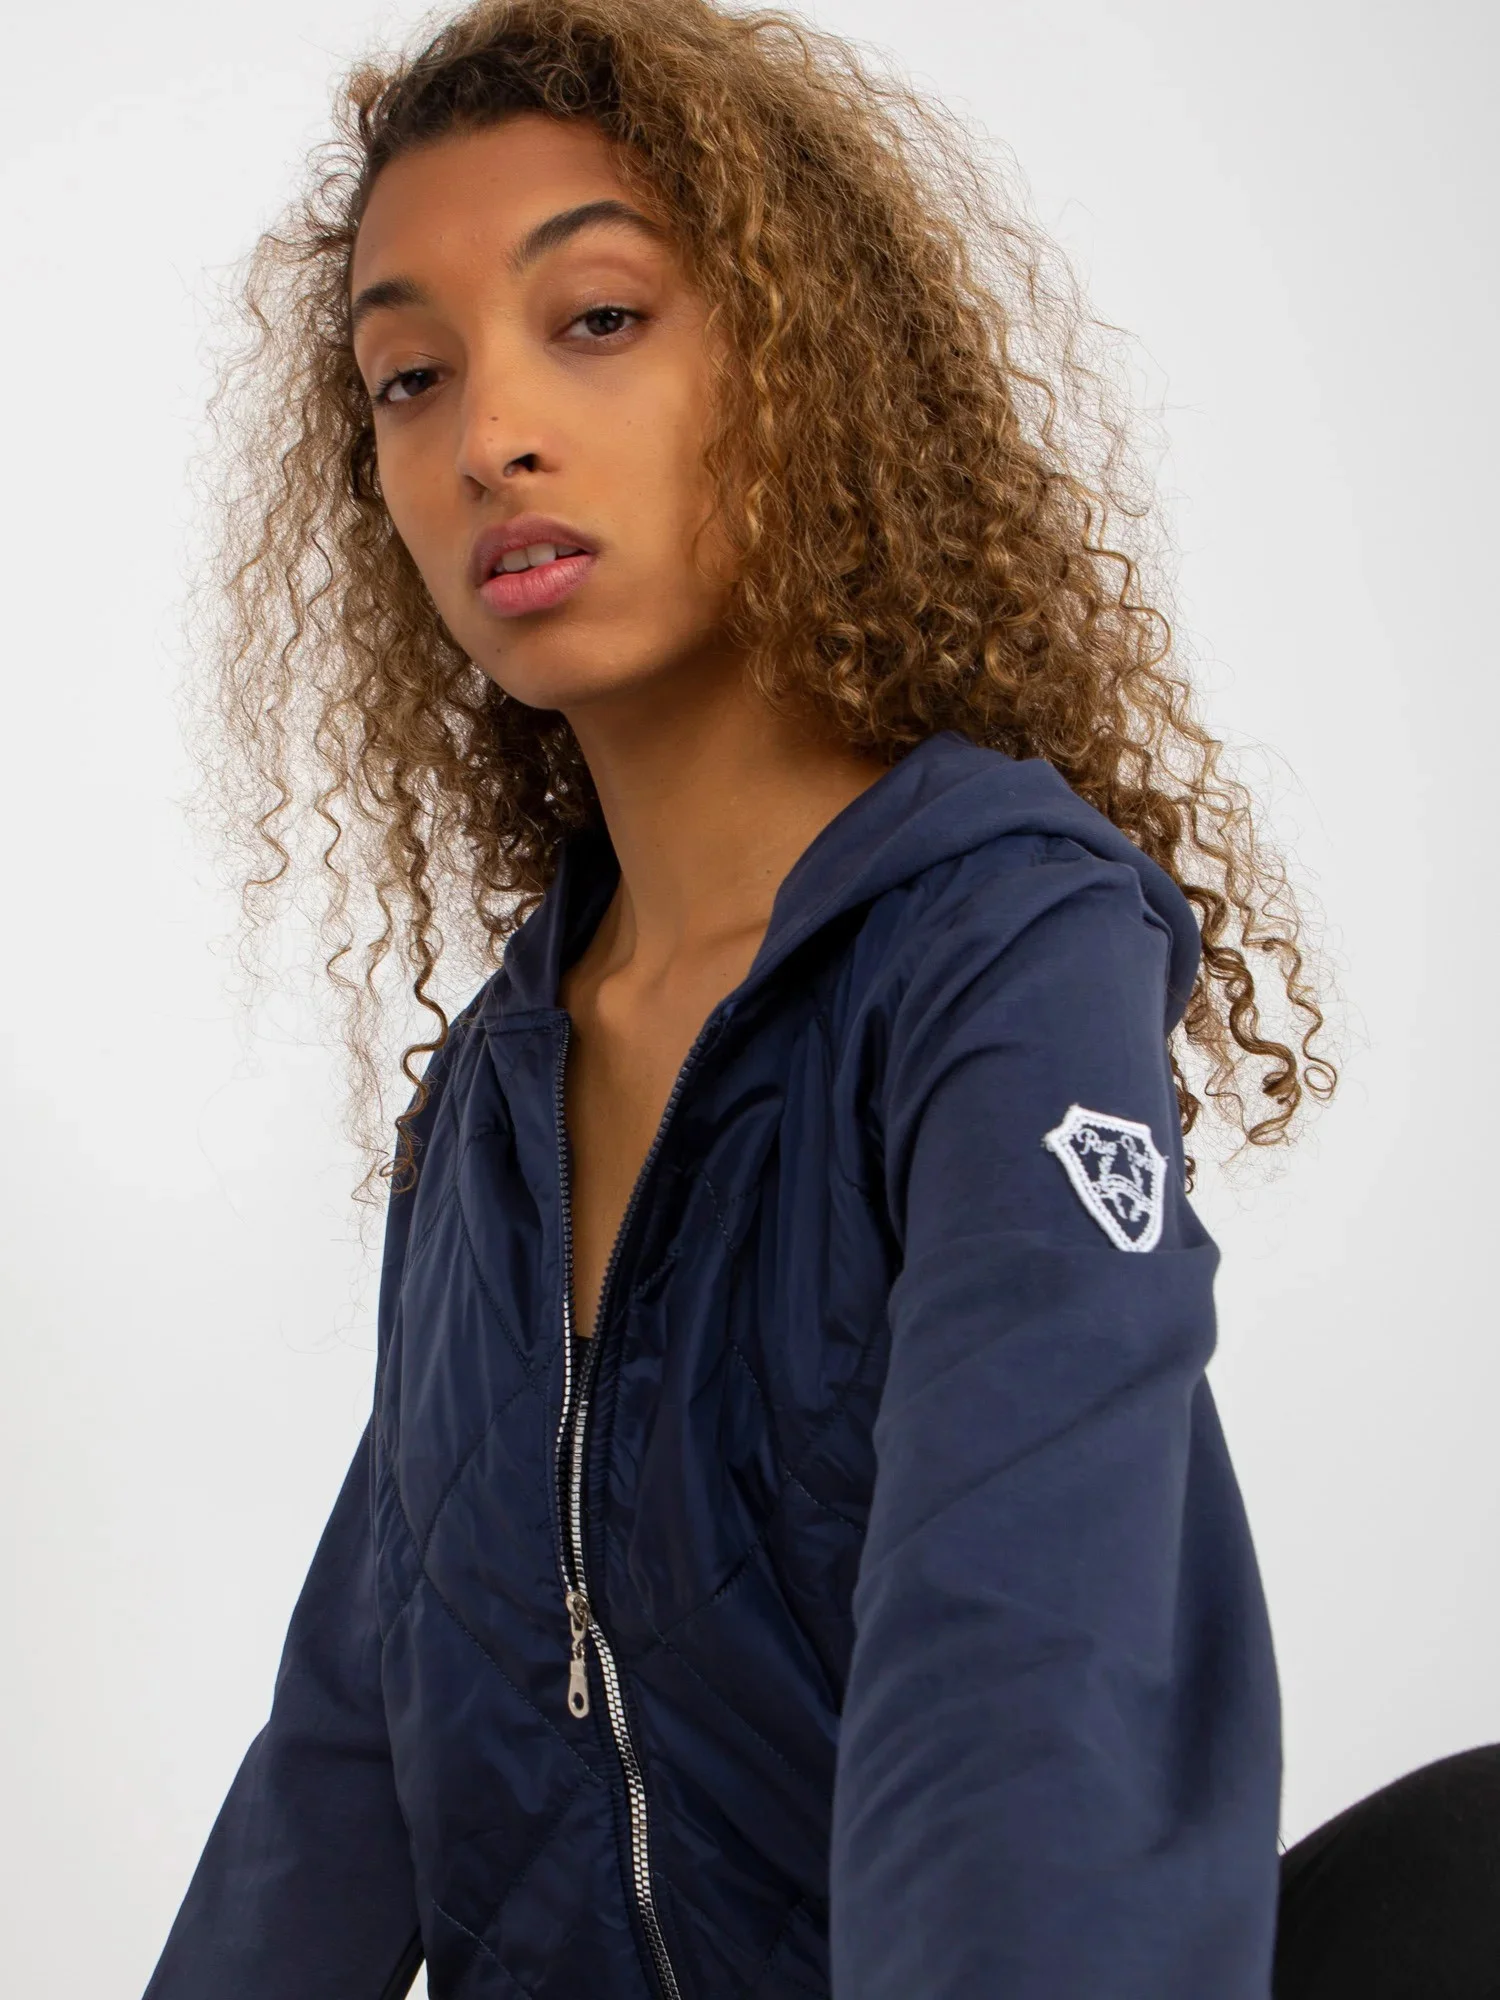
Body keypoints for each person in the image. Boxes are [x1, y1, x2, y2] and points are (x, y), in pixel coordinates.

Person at [141, 1, 1500, 1995]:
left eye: (599, 318)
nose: (489, 432)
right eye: (410, 375)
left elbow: (1015, 1663)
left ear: (803, 366)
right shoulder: (499, 1096)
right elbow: (344, 1756)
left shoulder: (997, 957)